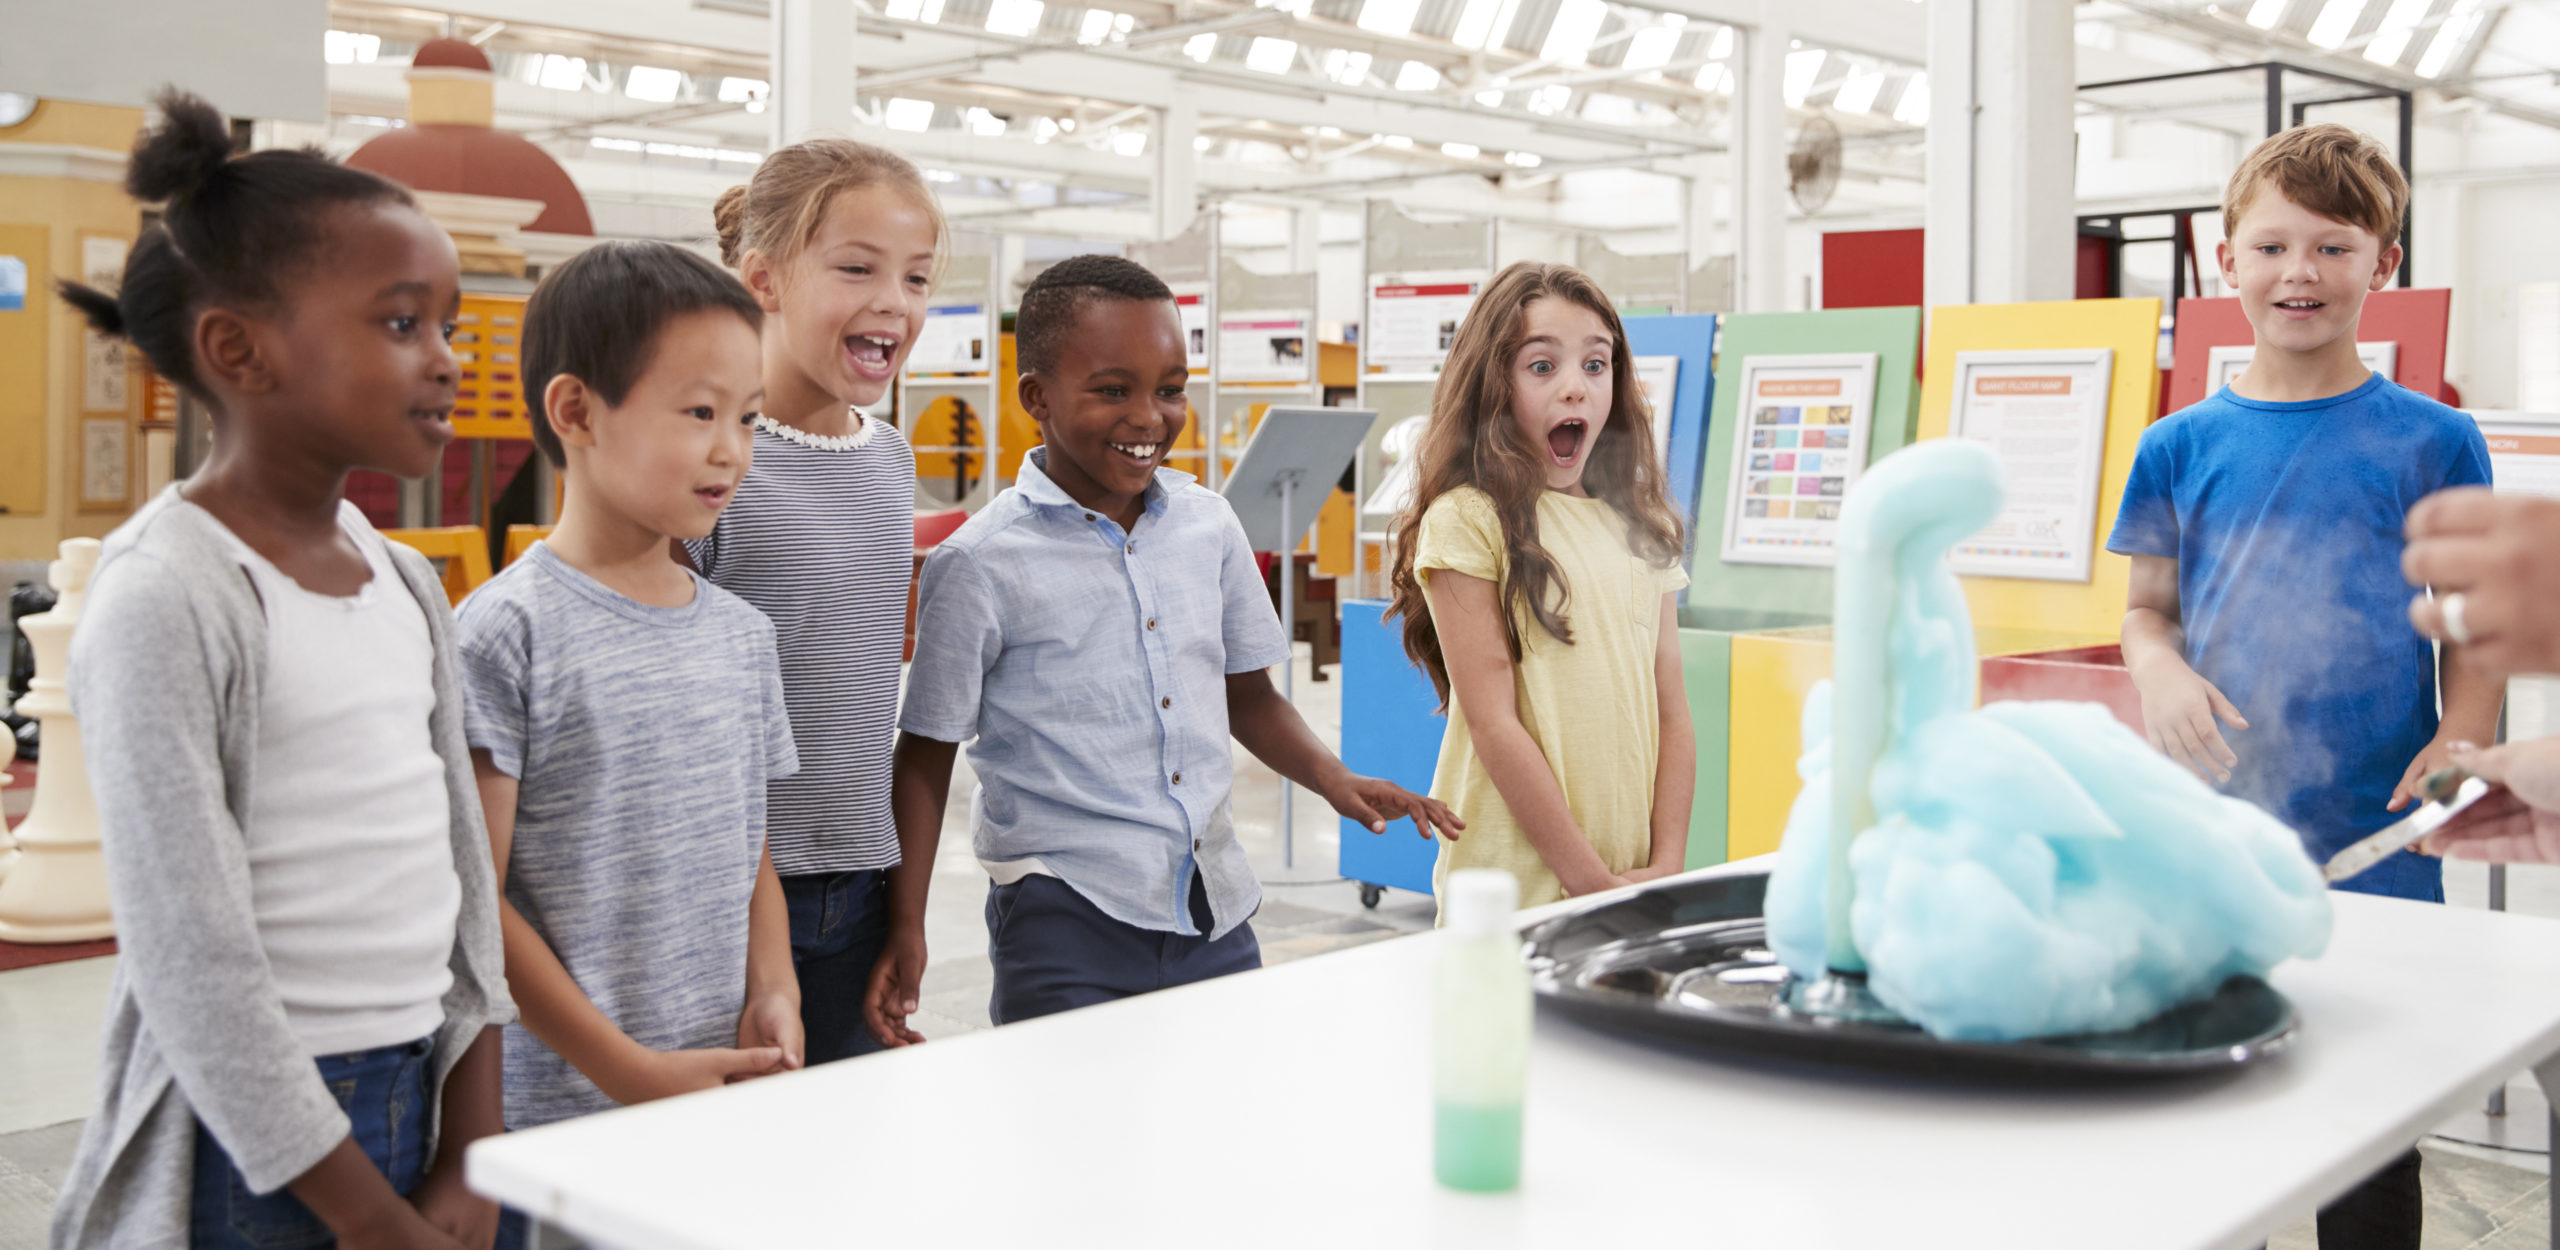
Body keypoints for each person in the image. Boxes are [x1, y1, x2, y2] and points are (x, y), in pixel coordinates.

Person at [50, 90, 514, 1249]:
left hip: (428, 1083)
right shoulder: (169, 592)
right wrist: (364, 1215)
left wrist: (471, 1141)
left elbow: (462, 870)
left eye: (447, 326)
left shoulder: (402, 576)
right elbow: (189, 960)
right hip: (262, 1148)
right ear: (238, 350)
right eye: (403, 324)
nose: (447, 362)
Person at [882, 255, 1460, 1034]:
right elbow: (925, 754)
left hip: (1211, 905)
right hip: (1063, 916)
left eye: (1170, 388)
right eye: (1113, 390)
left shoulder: (1208, 525)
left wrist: (1334, 779)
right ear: (1036, 399)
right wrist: (905, 924)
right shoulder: (980, 563)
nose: (1150, 415)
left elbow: (1246, 695)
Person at [2106, 123, 2499, 1250]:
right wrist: (2159, 667)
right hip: (2215, 830)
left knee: (2369, 1118)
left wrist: (2464, 731)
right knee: (2213, 1094)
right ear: (2223, 260)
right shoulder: (2176, 445)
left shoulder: (2435, 440)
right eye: (2272, 246)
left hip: (2375, 835)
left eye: (2333, 248)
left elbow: (2468, 617)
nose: (2300, 274)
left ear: (2383, 264)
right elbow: (2145, 612)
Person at [455, 242, 803, 1183]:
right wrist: (630, 1071)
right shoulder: (503, 634)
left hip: (717, 1087)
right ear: (576, 412)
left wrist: (775, 988)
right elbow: (472, 899)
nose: (730, 448)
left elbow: (750, 848)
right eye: (698, 413)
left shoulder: (740, 634)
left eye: (749, 418)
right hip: (564, 1121)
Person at [690, 137, 943, 1060]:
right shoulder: (715, 460)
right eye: (857, 269)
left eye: (916, 279)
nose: (894, 302)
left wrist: (902, 911)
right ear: (763, 279)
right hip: (727, 887)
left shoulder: (889, 459)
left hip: (860, 882)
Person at [1383, 261, 1695, 915]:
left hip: (1628, 883)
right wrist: (1588, 884)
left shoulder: (1643, 526)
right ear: (1493, 382)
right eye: (1542, 366)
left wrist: (1666, 866)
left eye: (1596, 364)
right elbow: (1495, 724)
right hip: (1513, 892)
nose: (1576, 389)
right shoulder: (1469, 518)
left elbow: (1672, 712)